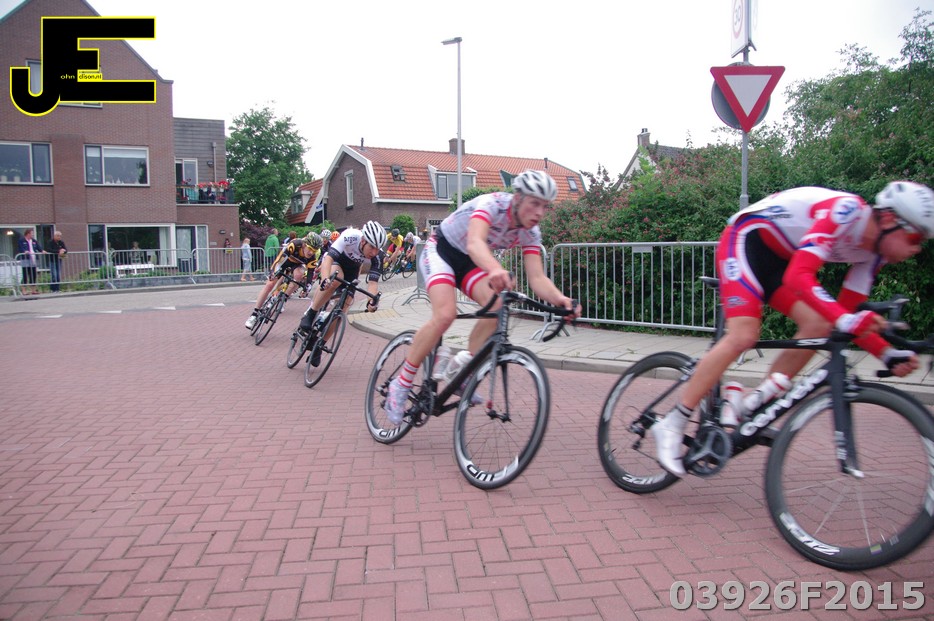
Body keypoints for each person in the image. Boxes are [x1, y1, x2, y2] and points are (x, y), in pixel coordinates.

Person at [652, 181, 934, 477]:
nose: (917, 248)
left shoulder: (874, 256)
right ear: (889, 219)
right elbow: (800, 276)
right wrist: (850, 322)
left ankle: (751, 405)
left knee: (821, 326)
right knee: (744, 335)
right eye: (915, 237)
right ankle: (672, 422)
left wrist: (886, 353)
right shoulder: (846, 211)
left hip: (780, 260)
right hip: (746, 239)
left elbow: (845, 318)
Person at [384, 170, 582, 424]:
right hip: (442, 250)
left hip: (469, 263)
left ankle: (462, 370)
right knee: (445, 314)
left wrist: (562, 300)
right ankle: (400, 384)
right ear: (518, 198)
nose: (539, 212)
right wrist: (496, 270)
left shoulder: (530, 232)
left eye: (545, 206)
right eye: (535, 203)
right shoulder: (493, 204)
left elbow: (537, 278)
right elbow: (475, 243)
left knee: (497, 306)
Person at [295, 221, 385, 366]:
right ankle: (311, 312)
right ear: (363, 241)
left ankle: (319, 345)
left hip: (353, 271)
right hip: (336, 262)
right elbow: (328, 259)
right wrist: (325, 279)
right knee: (336, 279)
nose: (374, 252)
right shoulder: (350, 236)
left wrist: (371, 302)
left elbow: (373, 283)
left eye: (377, 248)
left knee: (343, 308)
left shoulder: (378, 256)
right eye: (372, 247)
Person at [245, 232, 322, 329]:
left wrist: (307, 288)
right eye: (310, 248)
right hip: (285, 261)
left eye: (314, 250)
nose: (311, 252)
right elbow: (279, 260)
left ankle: (284, 298)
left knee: (299, 275)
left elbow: (310, 273)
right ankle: (254, 314)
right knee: (270, 285)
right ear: (304, 244)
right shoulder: (294, 244)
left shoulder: (312, 257)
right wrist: (273, 272)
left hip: (297, 265)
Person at [17, 228, 43, 295]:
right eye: (32, 233)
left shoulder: (34, 241)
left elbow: (38, 247)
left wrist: (42, 251)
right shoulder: (21, 240)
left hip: (33, 259)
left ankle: (33, 290)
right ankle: (24, 290)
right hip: (25, 259)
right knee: (25, 274)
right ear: (28, 234)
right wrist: (24, 251)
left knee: (33, 274)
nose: (33, 235)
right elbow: (20, 248)